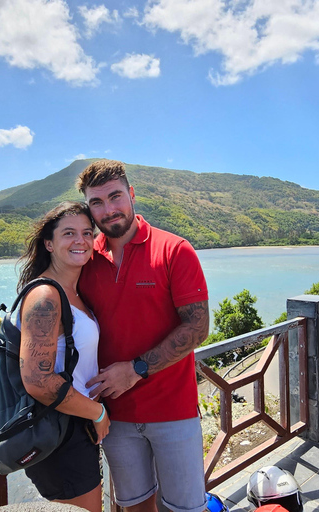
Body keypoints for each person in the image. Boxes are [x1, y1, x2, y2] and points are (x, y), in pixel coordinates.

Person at [77, 160, 210, 512]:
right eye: (96, 202)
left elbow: (198, 327)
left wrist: (135, 369)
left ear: (132, 194)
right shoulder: (86, 259)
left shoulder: (174, 250)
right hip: (113, 415)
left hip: (174, 410)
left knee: (186, 508)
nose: (108, 209)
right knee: (134, 507)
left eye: (115, 196)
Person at [16, 201, 111, 511]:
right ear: (49, 243)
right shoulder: (45, 296)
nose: (80, 240)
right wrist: (97, 413)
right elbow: (38, 380)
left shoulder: (72, 293)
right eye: (69, 233)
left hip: (73, 425)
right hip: (59, 430)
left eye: (87, 233)